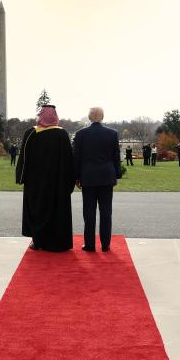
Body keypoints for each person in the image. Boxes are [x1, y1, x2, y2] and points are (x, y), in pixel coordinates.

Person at [15, 105, 75, 252]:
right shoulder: (62, 134)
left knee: (38, 210)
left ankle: (39, 241)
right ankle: (58, 243)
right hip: (58, 183)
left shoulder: (31, 133)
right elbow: (69, 161)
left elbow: (23, 158)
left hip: (36, 183)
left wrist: (21, 177)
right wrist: (70, 181)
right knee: (57, 211)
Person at [73, 107, 122, 252]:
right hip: (106, 176)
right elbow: (115, 156)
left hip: (88, 177)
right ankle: (105, 244)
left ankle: (89, 244)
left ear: (89, 117)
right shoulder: (112, 134)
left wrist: (76, 176)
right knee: (106, 212)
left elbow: (77, 158)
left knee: (89, 212)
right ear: (102, 117)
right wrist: (117, 174)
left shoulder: (81, 134)